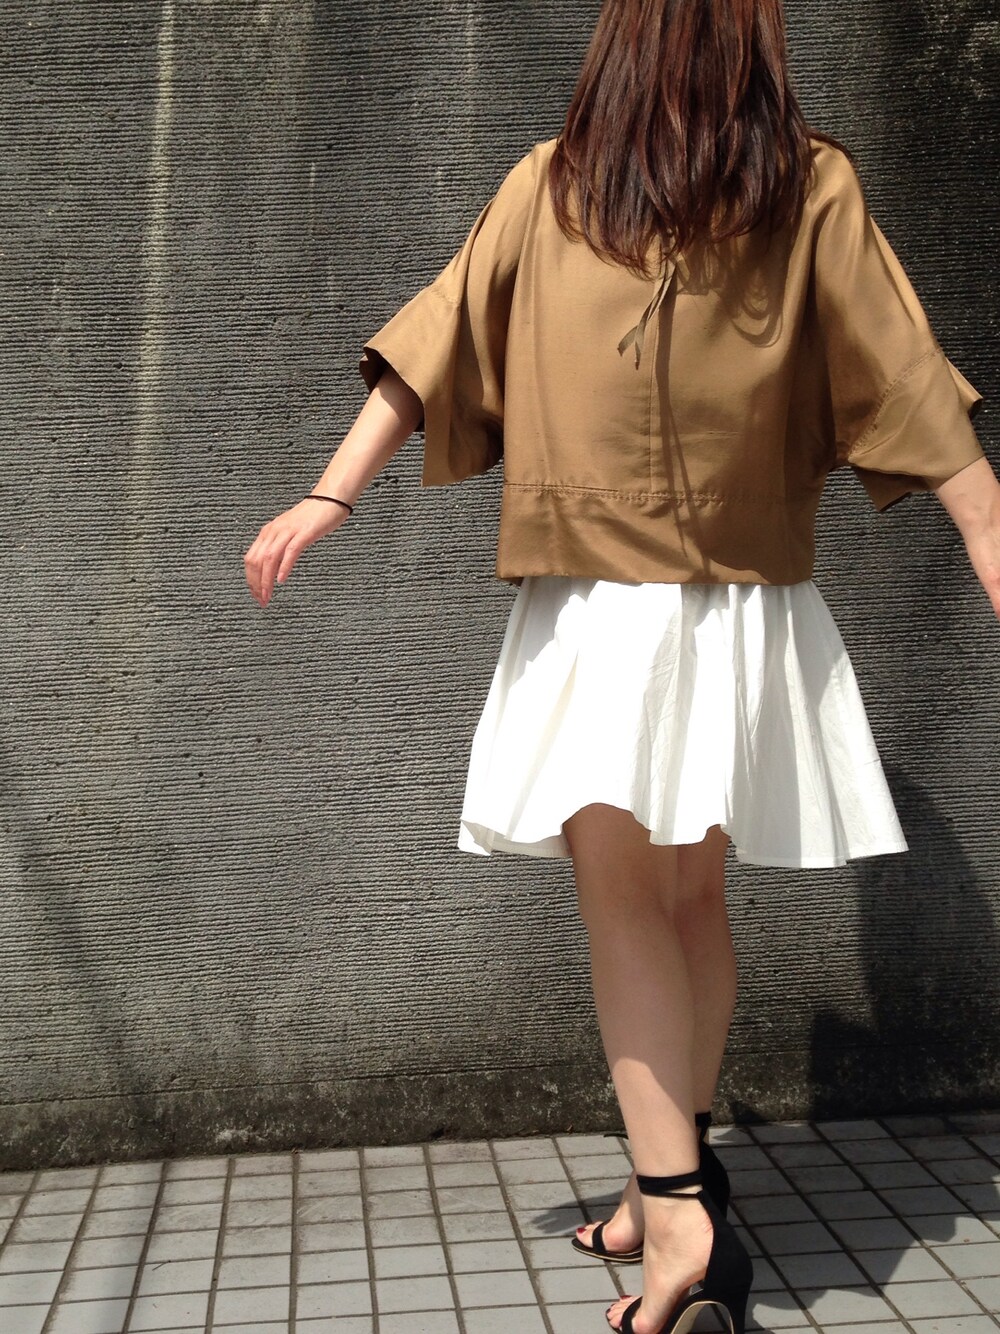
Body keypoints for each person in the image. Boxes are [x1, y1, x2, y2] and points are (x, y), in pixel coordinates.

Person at [244, 2, 999, 1330]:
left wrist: (332, 491)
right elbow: (909, 375)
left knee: (627, 909)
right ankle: (675, 1181)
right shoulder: (800, 183)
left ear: (622, 42)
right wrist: (987, 526)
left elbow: (435, 337)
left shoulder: (563, 184)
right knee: (690, 901)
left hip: (603, 611)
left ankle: (681, 1217)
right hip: (744, 614)